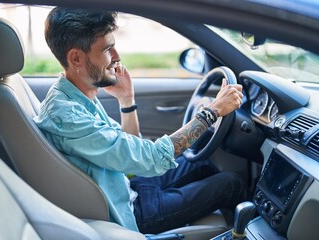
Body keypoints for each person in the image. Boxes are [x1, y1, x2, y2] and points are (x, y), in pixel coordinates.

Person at [34, 7, 245, 234]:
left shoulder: (74, 95)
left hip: (129, 185)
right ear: (76, 57)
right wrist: (211, 112)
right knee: (231, 183)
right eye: (107, 49)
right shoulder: (66, 116)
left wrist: (127, 100)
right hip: (134, 211)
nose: (116, 56)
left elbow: (129, 153)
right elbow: (151, 158)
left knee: (203, 164)